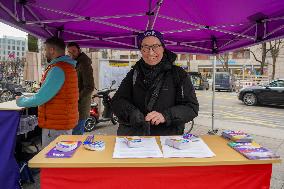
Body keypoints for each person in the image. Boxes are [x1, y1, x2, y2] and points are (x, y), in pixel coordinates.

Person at [111, 30, 199, 136]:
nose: (150, 52)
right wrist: (131, 113)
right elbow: (117, 101)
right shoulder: (134, 73)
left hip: (167, 140)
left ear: (163, 47)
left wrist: (166, 116)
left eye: (155, 46)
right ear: (141, 50)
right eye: (145, 47)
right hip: (137, 139)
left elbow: (191, 108)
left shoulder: (179, 74)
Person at [16, 37, 79, 147]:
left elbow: (41, 98)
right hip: (62, 122)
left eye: (45, 50)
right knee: (60, 160)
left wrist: (20, 101)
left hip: (56, 126)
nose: (44, 53)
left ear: (52, 50)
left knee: (52, 162)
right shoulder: (67, 66)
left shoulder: (58, 69)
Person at [67, 42, 95, 135]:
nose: (71, 54)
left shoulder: (84, 64)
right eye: (69, 52)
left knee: (77, 135)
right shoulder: (76, 63)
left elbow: (90, 87)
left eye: (74, 51)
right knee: (74, 135)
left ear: (79, 50)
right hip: (75, 107)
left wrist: (76, 98)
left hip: (80, 106)